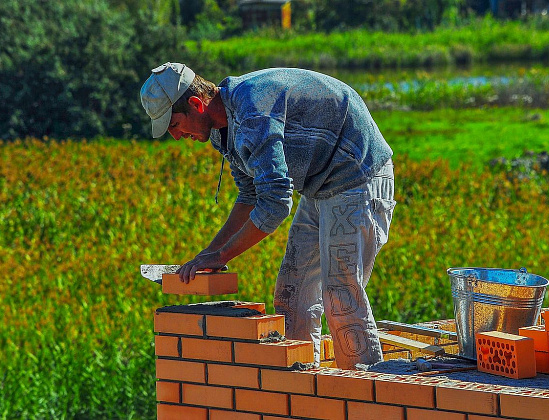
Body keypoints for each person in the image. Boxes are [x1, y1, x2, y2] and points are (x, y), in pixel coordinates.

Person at [140, 62, 396, 370]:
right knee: (291, 295)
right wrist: (208, 255)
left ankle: (366, 396)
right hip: (320, 184)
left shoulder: (252, 112)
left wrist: (221, 254)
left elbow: (275, 204)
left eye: (175, 125)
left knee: (340, 295)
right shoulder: (225, 131)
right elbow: (250, 196)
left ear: (196, 104)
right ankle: (302, 389)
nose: (178, 137)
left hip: (356, 174)